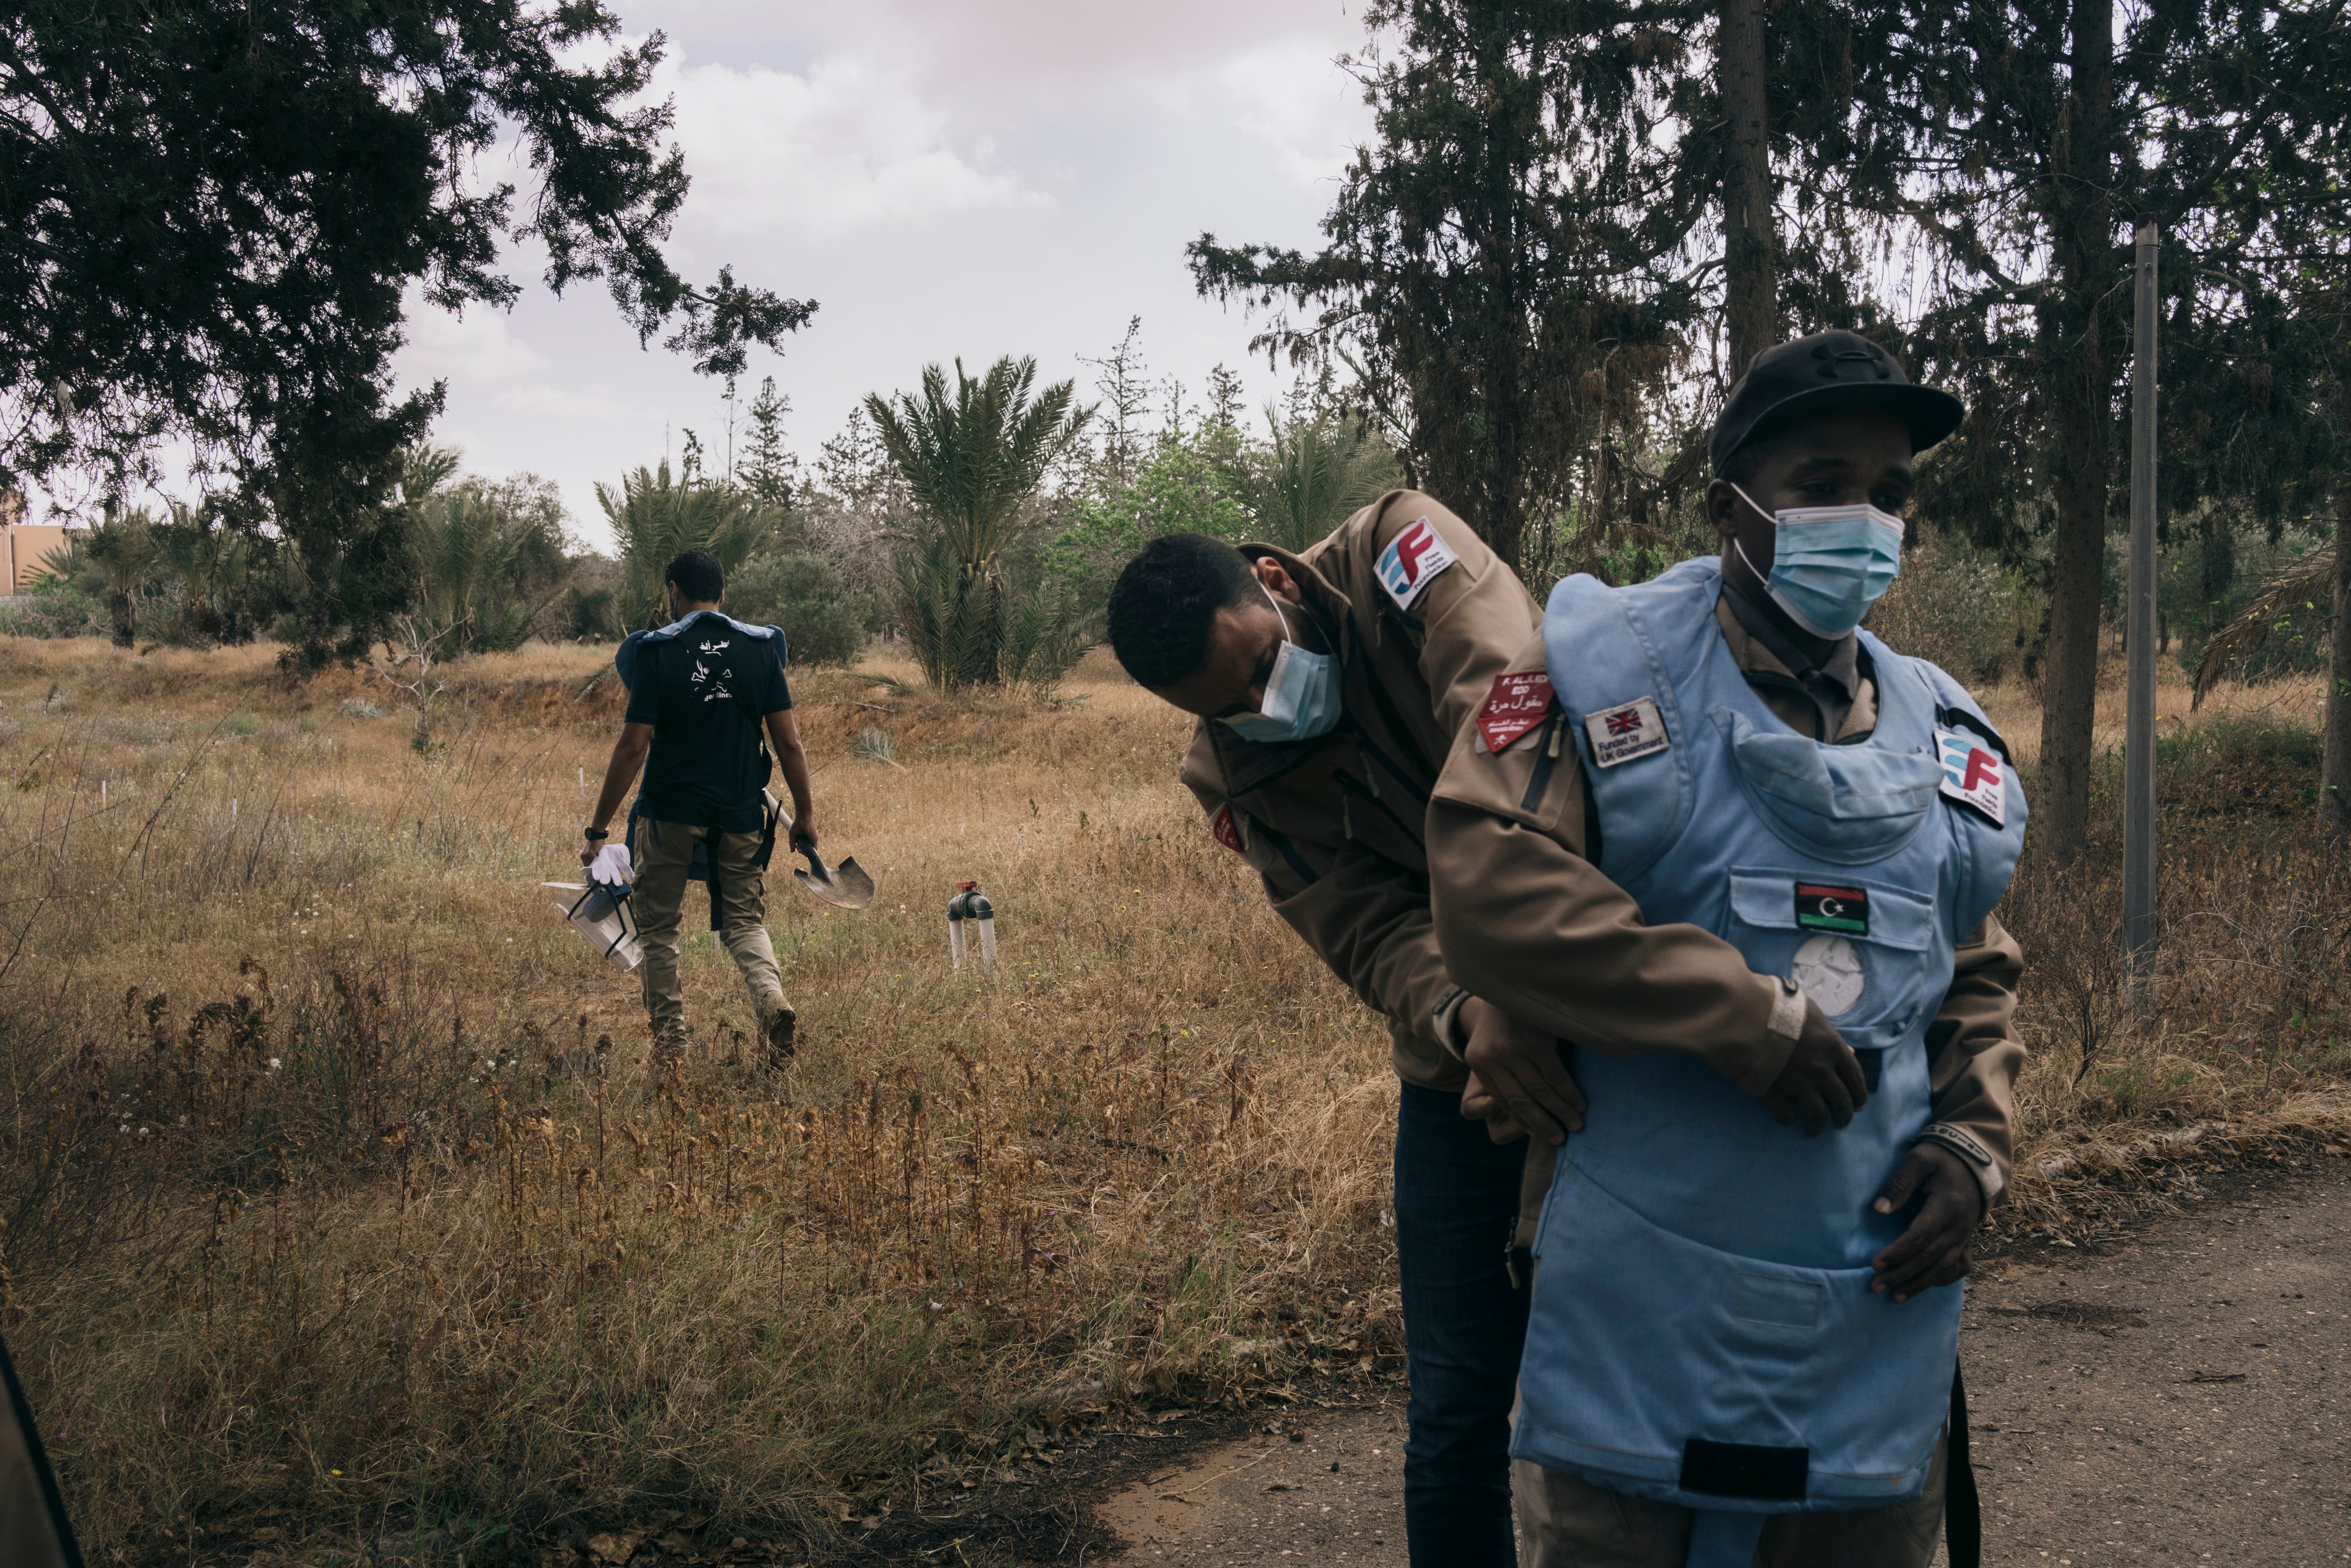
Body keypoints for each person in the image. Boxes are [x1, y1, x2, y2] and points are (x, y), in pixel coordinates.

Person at [1426, 330, 2028, 1568]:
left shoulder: (1943, 732)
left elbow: (1970, 961)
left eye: (1892, 493)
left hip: (1869, 1318)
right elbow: (1489, 874)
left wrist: (1975, 1142)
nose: (1864, 519)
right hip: (1638, 1319)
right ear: (1729, 506)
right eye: (1821, 484)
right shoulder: (1600, 676)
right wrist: (1738, 1017)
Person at [1106, 497, 1575, 1568]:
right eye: (1230, 708)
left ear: (1273, 579)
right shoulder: (1228, 773)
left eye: (1264, 664)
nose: (1268, 706)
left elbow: (1507, 714)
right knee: (1457, 1411)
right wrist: (1467, 1012)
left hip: (1596, 985)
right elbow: (1361, 923)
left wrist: (1519, 970)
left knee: (1632, 1376)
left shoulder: (1401, 553)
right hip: (1462, 1063)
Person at [584, 550, 818, 1066]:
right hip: (739, 815)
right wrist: (804, 815)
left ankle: (672, 1049)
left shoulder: (655, 652)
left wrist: (598, 826)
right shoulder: (761, 650)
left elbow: (632, 746)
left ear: (673, 592)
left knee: (659, 930)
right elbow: (790, 743)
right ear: (723, 593)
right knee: (742, 922)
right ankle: (770, 999)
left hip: (668, 813)